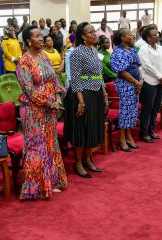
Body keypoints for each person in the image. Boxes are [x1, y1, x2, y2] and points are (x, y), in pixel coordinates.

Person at [16, 26, 67, 199]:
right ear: (28, 41)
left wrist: (58, 97)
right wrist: (48, 102)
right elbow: (28, 90)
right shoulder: (23, 61)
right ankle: (34, 187)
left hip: (50, 108)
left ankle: (50, 182)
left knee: (50, 144)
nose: (41, 39)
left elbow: (54, 80)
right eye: (37, 36)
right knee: (37, 146)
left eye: (41, 36)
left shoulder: (44, 57)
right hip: (33, 111)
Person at [64, 22, 106, 178]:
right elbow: (75, 78)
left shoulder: (94, 50)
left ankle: (89, 160)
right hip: (80, 95)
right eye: (90, 32)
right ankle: (78, 163)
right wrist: (81, 102)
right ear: (82, 36)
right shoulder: (76, 53)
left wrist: (104, 93)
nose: (94, 34)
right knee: (81, 130)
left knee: (91, 128)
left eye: (94, 31)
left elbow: (97, 75)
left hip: (94, 93)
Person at [111, 28, 143, 152]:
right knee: (125, 112)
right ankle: (122, 139)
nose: (132, 37)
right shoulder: (118, 52)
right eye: (129, 35)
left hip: (136, 84)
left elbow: (138, 67)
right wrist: (135, 82)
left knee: (132, 111)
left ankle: (129, 136)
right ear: (122, 38)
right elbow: (122, 72)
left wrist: (140, 81)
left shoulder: (132, 50)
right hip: (125, 84)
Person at [138, 27, 162, 143]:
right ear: (148, 37)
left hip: (160, 81)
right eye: (154, 34)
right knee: (148, 108)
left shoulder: (160, 47)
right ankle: (144, 133)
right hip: (149, 81)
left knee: (156, 107)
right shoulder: (143, 49)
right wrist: (159, 76)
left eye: (157, 33)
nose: (157, 35)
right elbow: (146, 66)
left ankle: (151, 131)